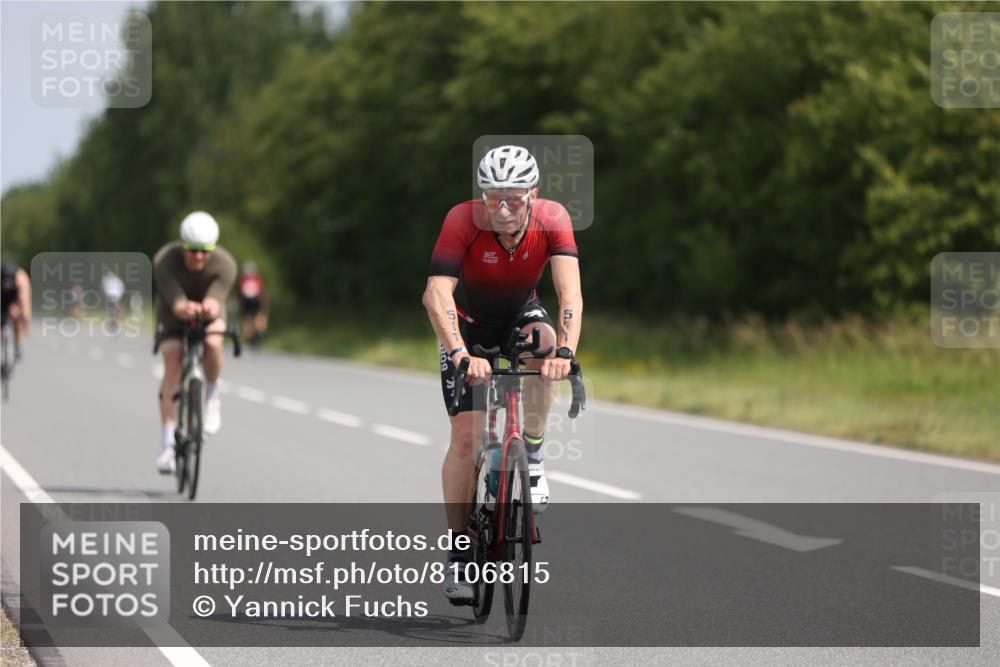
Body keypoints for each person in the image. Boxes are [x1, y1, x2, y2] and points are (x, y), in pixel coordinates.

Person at [422, 145, 583, 602]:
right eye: (494, 197)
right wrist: (458, 353)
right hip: (466, 325)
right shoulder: (462, 220)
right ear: (483, 196)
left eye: (514, 197)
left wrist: (565, 352)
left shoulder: (553, 219)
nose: (504, 207)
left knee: (546, 346)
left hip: (519, 314)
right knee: (468, 440)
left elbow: (570, 295)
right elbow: (436, 295)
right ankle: (457, 553)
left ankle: (531, 456)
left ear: (533, 193)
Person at [152, 211, 237, 473]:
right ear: (181, 244)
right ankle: (167, 443)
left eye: (205, 250)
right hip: (173, 310)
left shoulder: (225, 264)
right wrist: (182, 307)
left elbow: (215, 299)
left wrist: (208, 307)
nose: (198, 256)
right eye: (192, 250)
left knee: (213, 342)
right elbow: (176, 303)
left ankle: (212, 395)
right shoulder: (164, 260)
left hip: (208, 310)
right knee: (173, 357)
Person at [1, 261, 32, 360]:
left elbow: (24, 300)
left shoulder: (21, 278)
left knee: (17, 316)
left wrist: (25, 320)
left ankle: (17, 344)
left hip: (15, 297)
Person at [237, 261, 269, 346]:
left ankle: (253, 334)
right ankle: (258, 333)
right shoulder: (257, 278)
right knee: (258, 316)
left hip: (248, 302)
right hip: (256, 301)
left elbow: (240, 293)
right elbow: (262, 291)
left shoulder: (243, 279)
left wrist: (240, 304)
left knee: (248, 319)